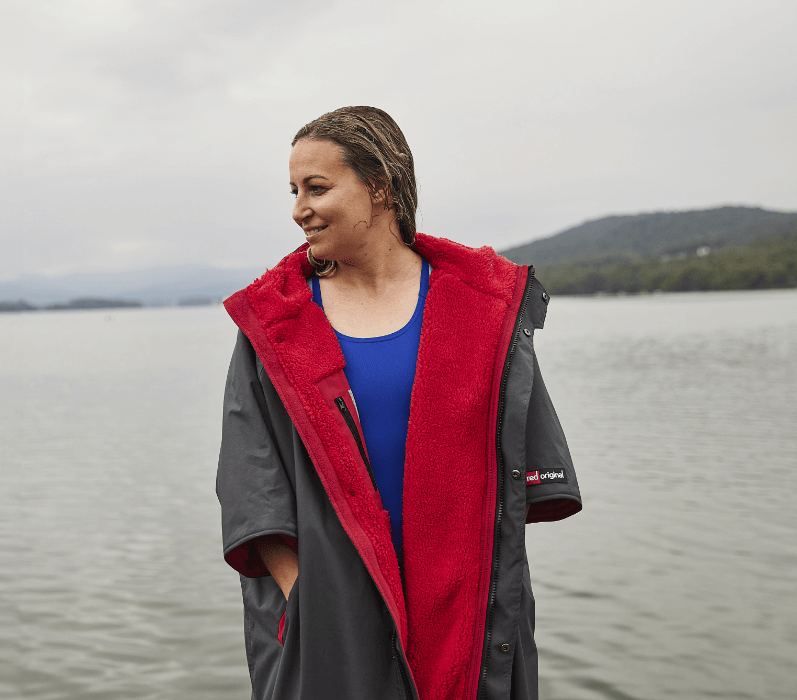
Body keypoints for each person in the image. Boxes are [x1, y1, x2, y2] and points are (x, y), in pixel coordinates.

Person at [216, 106, 582, 700]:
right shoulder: (275, 323)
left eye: (318, 187)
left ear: (379, 186)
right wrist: (309, 601)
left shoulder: (482, 308)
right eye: (293, 191)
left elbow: (515, 477)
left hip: (463, 608)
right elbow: (250, 486)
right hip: (326, 615)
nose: (298, 209)